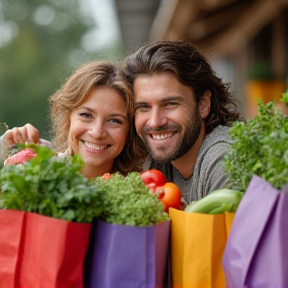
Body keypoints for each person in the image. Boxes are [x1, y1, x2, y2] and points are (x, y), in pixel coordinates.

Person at [123, 40, 243, 204]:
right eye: (143, 107)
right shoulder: (154, 162)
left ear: (203, 104)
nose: (155, 122)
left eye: (170, 104)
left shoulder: (225, 159)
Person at [0, 61, 147, 178]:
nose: (97, 132)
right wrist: (8, 146)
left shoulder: (146, 190)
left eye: (114, 121)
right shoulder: (35, 168)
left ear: (130, 130)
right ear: (68, 115)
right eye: (86, 115)